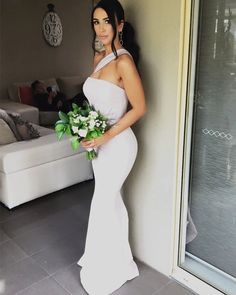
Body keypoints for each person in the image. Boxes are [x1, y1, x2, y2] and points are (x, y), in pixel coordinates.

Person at [77, 0, 146, 294]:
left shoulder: (124, 62)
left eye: (107, 21)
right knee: (112, 202)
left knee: (103, 202)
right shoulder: (98, 58)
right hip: (101, 145)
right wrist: (86, 129)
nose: (101, 28)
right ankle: (123, 262)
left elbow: (140, 108)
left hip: (119, 145)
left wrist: (105, 136)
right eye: (96, 22)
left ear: (120, 24)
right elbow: (95, 104)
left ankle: (103, 270)